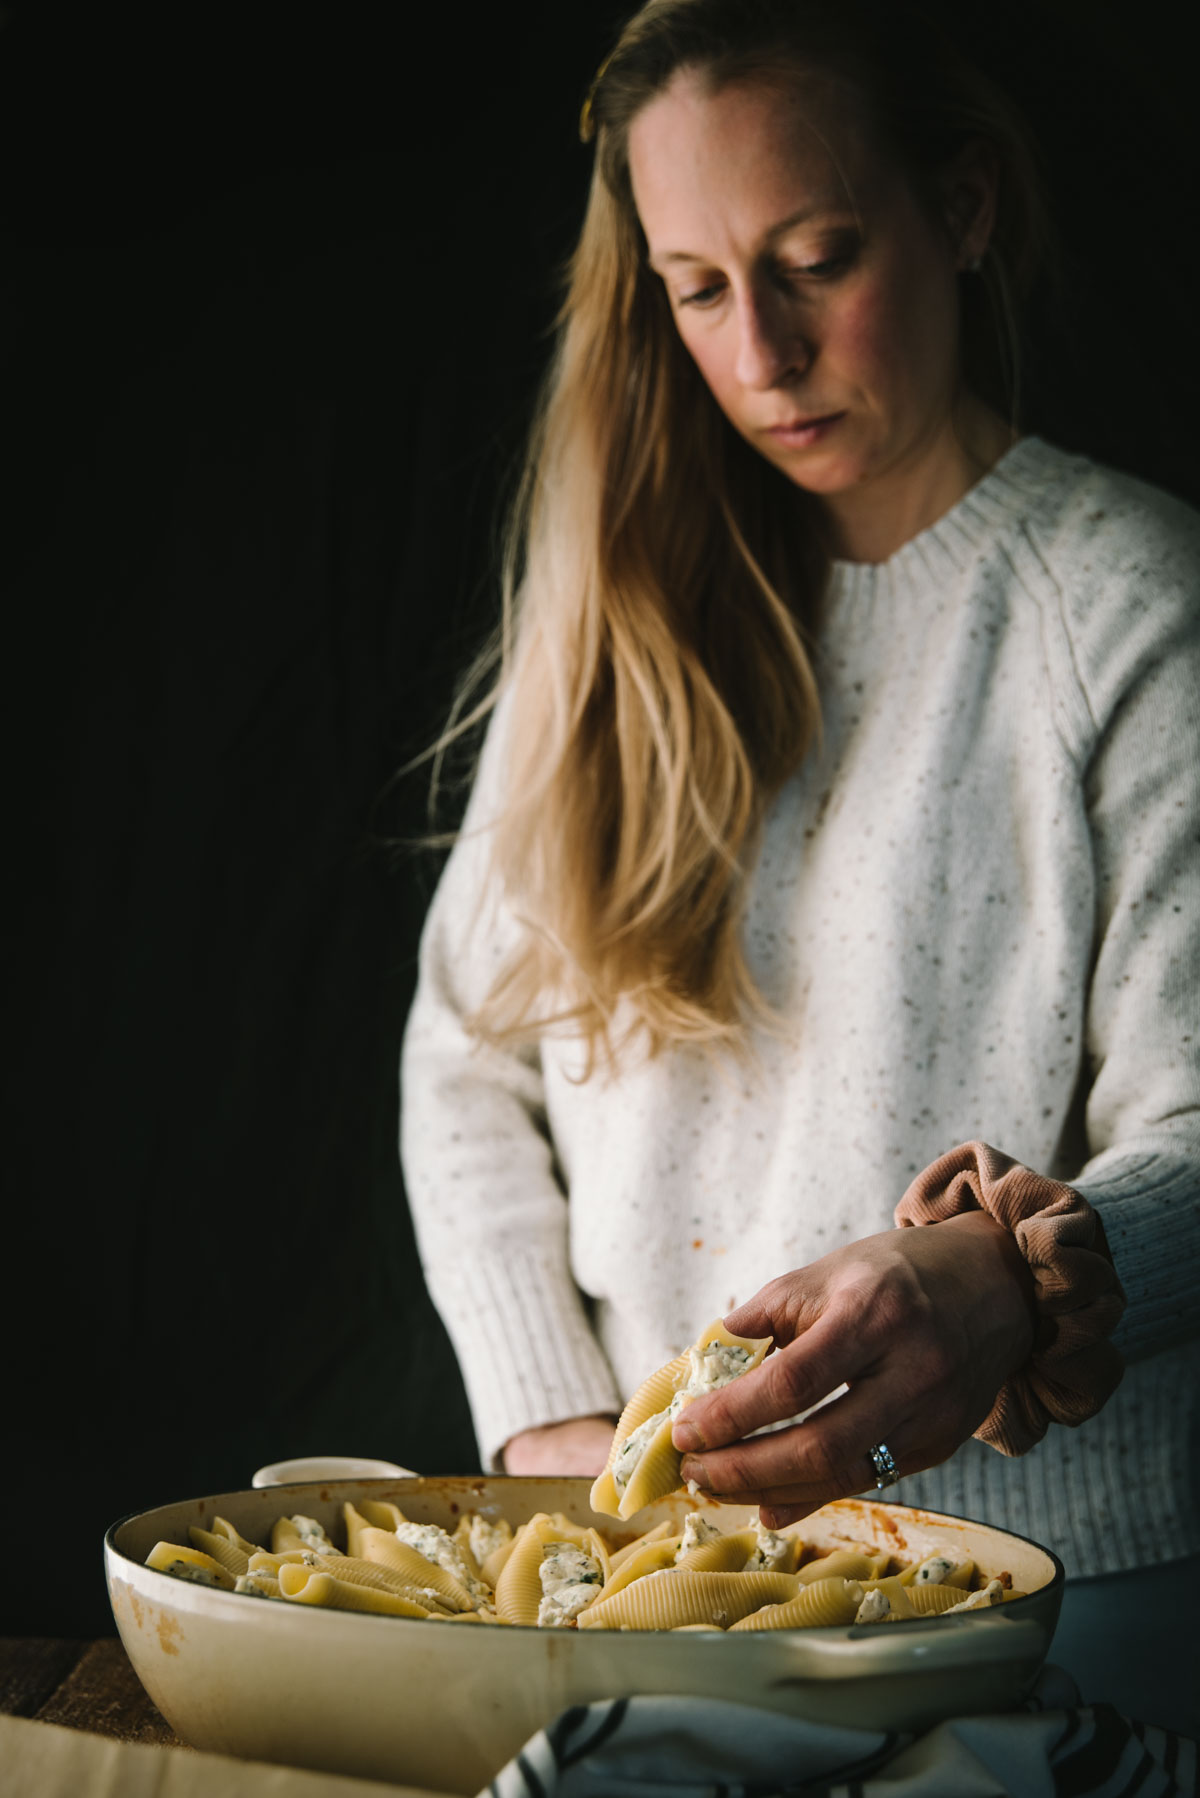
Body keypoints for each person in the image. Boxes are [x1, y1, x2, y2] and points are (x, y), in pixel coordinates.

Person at [400, 0, 1199, 1732]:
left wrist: (1013, 1275)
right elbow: (462, 1058)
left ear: (964, 210)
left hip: (1068, 1613)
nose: (758, 352)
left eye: (815, 258)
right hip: (664, 1615)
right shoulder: (616, 620)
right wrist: (543, 1424)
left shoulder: (1132, 607)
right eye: (694, 287)